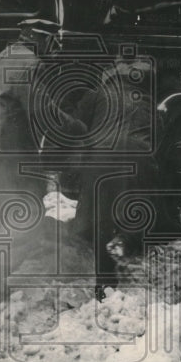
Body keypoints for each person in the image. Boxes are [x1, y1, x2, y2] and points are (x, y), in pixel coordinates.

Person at [0, 19, 86, 315]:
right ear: (39, 39)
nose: (55, 48)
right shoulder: (27, 63)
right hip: (0, 162)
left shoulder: (7, 54)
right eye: (53, 41)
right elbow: (42, 111)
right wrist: (78, 127)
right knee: (29, 219)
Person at [70, 54, 157, 299]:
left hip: (101, 160)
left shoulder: (97, 93)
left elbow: (77, 125)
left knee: (100, 220)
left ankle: (103, 286)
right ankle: (127, 241)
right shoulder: (146, 98)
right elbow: (157, 134)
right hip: (137, 159)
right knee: (135, 208)